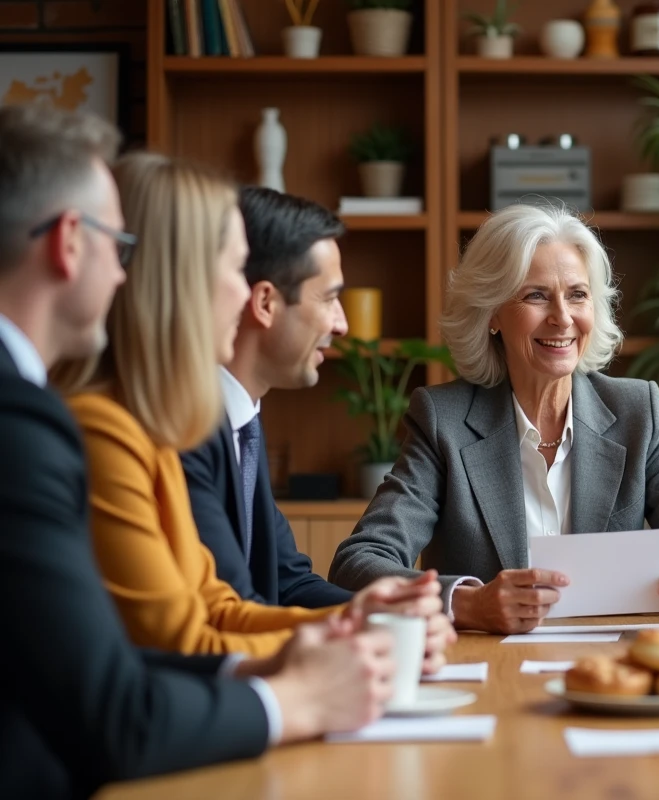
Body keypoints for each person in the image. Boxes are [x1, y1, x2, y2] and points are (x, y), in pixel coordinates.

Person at [0, 103, 397, 798]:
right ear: (70, 243)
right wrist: (300, 693)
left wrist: (340, 638)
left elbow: (213, 606)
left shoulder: (145, 425)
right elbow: (139, 682)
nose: (252, 299)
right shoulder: (52, 424)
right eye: (239, 272)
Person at [53, 152, 454, 663]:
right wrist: (358, 638)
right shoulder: (120, 429)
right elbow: (190, 639)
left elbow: (224, 607)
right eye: (234, 271)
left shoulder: (187, 423)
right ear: (182, 284)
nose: (248, 296)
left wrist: (366, 623)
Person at [328, 203, 659, 633]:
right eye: (536, 295)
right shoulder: (443, 421)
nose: (562, 317)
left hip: (617, 665)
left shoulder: (639, 411)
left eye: (578, 295)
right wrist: (470, 604)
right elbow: (359, 562)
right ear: (491, 313)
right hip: (488, 673)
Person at [181, 187, 353, 609]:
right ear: (264, 303)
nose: (343, 324)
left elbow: (289, 584)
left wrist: (402, 613)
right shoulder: (186, 429)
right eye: (330, 298)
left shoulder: (244, 423)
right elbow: (233, 609)